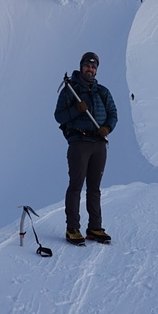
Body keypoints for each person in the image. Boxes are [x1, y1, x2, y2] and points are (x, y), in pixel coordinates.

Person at [54, 51, 118, 245]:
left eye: (93, 66)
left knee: (94, 188)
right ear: (81, 67)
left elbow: (113, 113)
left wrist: (107, 128)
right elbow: (59, 117)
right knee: (76, 186)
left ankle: (94, 228)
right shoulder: (70, 90)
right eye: (87, 65)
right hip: (79, 142)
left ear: (96, 70)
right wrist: (76, 109)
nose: (90, 69)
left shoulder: (102, 91)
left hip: (99, 143)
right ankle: (72, 228)